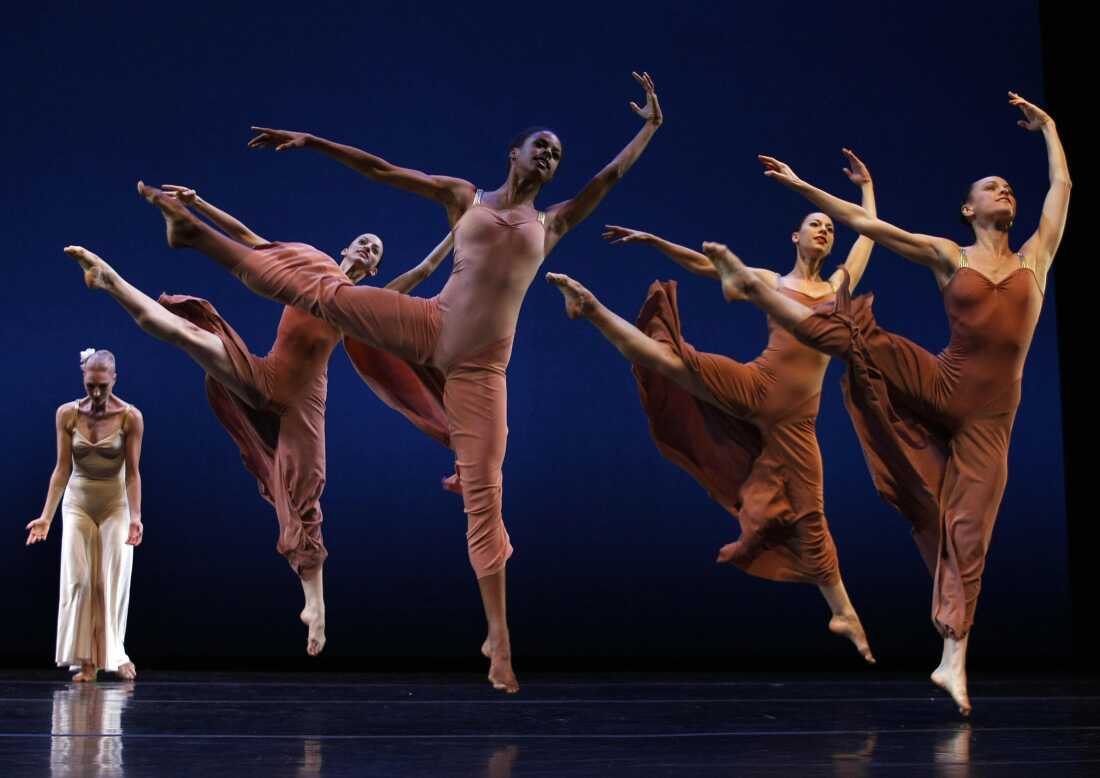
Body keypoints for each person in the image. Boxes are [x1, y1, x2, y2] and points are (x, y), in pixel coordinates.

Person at [137, 71, 663, 692]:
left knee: (486, 494)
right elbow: (383, 170)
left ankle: (498, 637)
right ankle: (192, 234)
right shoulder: (464, 198)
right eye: (540, 146)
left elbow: (608, 179)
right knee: (324, 293)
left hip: (481, 369)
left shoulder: (552, 222)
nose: (549, 157)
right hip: (429, 324)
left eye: (557, 155)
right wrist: (313, 141)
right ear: (513, 154)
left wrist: (649, 126)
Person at [702, 92, 1069, 714]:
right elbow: (865, 225)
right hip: (940, 380)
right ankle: (756, 292)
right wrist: (803, 186)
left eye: (1009, 186)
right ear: (967, 208)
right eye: (991, 185)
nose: (1004, 190)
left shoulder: (1037, 257)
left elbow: (1061, 184)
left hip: (990, 420)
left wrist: (1051, 129)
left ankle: (953, 661)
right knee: (855, 334)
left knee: (968, 530)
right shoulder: (946, 255)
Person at [64, 185, 452, 656]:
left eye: (376, 251)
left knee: (307, 493)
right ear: (345, 249)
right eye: (364, 242)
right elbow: (248, 238)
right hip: (267, 375)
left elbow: (425, 271)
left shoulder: (366, 299)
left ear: (374, 268)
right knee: (189, 335)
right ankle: (111, 281)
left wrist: (457, 230)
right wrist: (198, 203)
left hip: (305, 402)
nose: (369, 249)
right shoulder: (305, 270)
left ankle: (315, 607)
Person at [546, 148, 877, 662]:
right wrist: (657, 241)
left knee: (812, 515)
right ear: (795, 237)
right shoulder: (772, 281)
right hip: (757, 384)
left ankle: (844, 611)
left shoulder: (837, 288)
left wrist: (866, 189)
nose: (823, 231)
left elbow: (868, 233)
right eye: (814, 224)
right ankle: (589, 307)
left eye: (827, 229)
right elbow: (705, 265)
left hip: (797, 419)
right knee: (673, 361)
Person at [27, 349, 144, 682]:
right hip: (78, 501)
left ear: (114, 380)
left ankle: (115, 654)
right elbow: (62, 468)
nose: (96, 393)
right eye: (91, 385)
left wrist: (136, 516)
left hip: (115, 503)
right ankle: (86, 661)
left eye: (102, 386)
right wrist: (46, 516)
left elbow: (133, 473)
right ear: (83, 379)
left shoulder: (130, 417)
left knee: (111, 579)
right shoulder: (66, 414)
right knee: (79, 579)